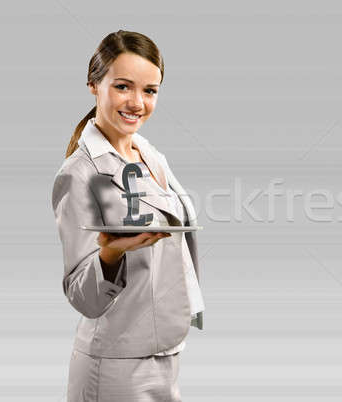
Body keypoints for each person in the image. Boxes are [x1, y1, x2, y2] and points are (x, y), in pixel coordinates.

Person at [50, 30, 204, 401]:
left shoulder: (151, 156)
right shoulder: (79, 173)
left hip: (164, 351)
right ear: (93, 84)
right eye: (123, 86)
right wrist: (109, 254)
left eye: (150, 90)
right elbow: (81, 294)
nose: (137, 102)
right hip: (116, 362)